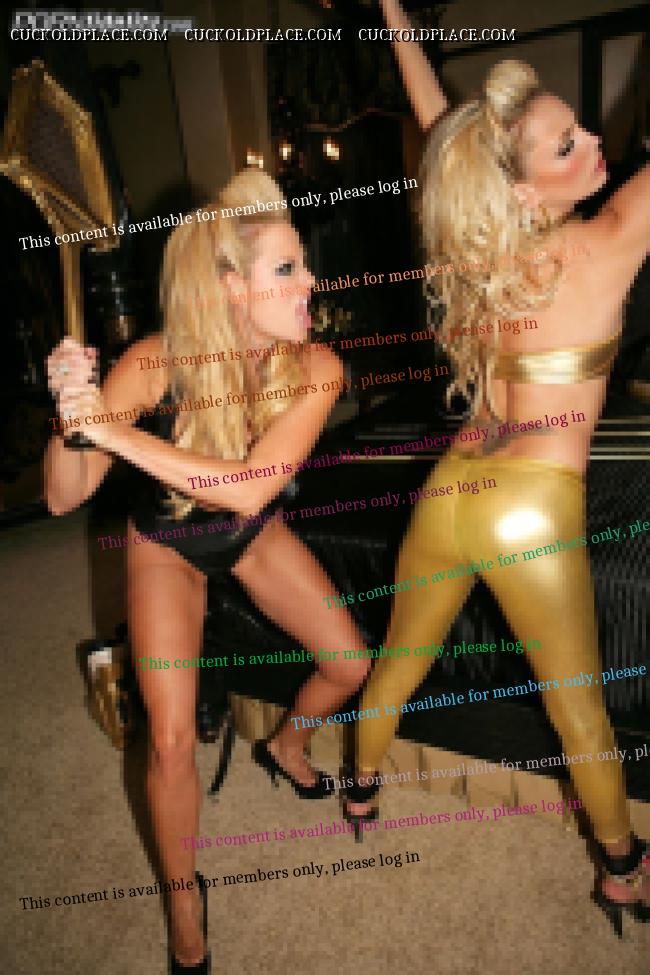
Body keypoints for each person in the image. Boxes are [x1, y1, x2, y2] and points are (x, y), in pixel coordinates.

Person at [346, 0, 650, 933]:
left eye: (579, 128)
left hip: (452, 489)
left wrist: (392, 11)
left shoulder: (474, 251)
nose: (593, 143)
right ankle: (622, 869)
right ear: (519, 192)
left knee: (399, 660)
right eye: (566, 145)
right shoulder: (604, 243)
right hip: (529, 510)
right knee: (580, 712)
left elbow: (442, 127)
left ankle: (360, 787)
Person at [45, 168, 370, 972]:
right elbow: (62, 494)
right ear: (230, 288)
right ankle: (183, 897)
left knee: (349, 664)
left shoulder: (317, 366)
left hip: (249, 529)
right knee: (168, 739)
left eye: (303, 264)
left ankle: (287, 746)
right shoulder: (154, 362)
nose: (311, 282)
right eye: (287, 269)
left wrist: (113, 433)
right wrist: (73, 416)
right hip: (166, 545)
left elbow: (252, 488)